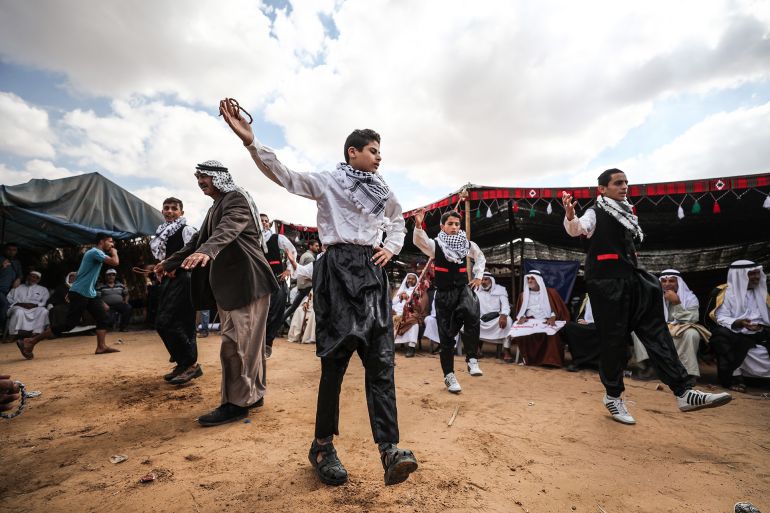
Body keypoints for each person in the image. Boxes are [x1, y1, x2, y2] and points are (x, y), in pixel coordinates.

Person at [221, 99, 417, 487]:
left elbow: (398, 221)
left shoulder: (382, 190)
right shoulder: (329, 181)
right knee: (335, 365)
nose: (379, 158)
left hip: (373, 274)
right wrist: (251, 143)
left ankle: (389, 449)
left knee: (381, 363)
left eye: (380, 151)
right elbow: (286, 176)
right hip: (338, 271)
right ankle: (323, 446)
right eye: (373, 151)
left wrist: (392, 248)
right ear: (353, 152)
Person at [563, 168, 731, 425]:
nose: (624, 187)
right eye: (618, 183)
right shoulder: (594, 213)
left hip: (633, 280)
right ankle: (613, 396)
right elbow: (578, 229)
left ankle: (683, 391)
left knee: (656, 331)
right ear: (602, 189)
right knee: (613, 341)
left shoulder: (628, 215)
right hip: (607, 283)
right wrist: (570, 215)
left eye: (626, 183)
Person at [156, 160, 278, 426]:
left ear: (219, 177)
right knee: (248, 345)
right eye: (197, 177)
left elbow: (228, 230)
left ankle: (236, 404)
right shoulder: (216, 207)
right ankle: (252, 394)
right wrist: (169, 262)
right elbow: (197, 240)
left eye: (204, 177)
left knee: (236, 346)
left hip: (246, 283)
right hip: (236, 285)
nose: (200, 181)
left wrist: (207, 251)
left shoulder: (235, 199)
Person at [412, 208, 486, 394]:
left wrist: (478, 276)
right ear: (442, 226)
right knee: (447, 338)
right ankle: (449, 376)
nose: (454, 227)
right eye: (450, 224)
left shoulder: (466, 244)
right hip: (444, 295)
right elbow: (420, 241)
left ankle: (471, 359)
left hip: (462, 289)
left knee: (472, 313)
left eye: (457, 224)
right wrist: (419, 225)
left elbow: (480, 256)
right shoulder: (436, 245)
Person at [17, 234, 121, 359]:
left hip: (89, 293)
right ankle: (30, 341)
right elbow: (115, 262)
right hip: (80, 292)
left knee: (103, 317)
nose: (112, 244)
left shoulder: (95, 254)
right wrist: (114, 252)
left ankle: (101, 347)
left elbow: (83, 274)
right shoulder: (95, 252)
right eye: (110, 241)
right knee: (69, 324)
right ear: (101, 241)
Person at [150, 196, 201, 385]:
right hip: (169, 281)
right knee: (169, 322)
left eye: (174, 208)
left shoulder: (187, 230)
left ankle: (190, 365)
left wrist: (176, 265)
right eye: (166, 208)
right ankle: (183, 363)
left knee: (170, 322)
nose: (170, 211)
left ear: (181, 212)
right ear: (162, 211)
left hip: (185, 279)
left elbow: (196, 251)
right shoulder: (160, 233)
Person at [633, 269, 709, 381]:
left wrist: (676, 303)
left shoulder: (690, 298)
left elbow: (692, 319)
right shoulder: (653, 295)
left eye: (671, 281)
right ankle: (650, 367)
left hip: (680, 329)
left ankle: (688, 373)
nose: (667, 284)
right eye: (664, 281)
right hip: (659, 328)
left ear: (678, 282)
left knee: (692, 334)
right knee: (637, 330)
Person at [707, 261, 770, 392]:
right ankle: (734, 378)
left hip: (762, 333)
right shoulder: (724, 292)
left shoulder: (764, 291)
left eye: (757, 273)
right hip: (737, 333)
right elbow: (719, 317)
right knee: (719, 337)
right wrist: (739, 323)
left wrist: (761, 326)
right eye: (751, 274)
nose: (756, 277)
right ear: (739, 276)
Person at [507, 270, 570, 367]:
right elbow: (521, 311)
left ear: (539, 280)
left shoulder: (551, 293)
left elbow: (556, 308)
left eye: (532, 278)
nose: (530, 280)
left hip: (546, 320)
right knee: (523, 332)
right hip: (530, 321)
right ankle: (529, 360)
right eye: (528, 278)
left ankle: (550, 361)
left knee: (552, 334)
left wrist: (553, 317)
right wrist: (522, 317)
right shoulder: (523, 295)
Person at [260, 213, 298, 359]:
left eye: (265, 221)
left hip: (276, 280)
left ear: (269, 224)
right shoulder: (252, 239)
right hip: (260, 281)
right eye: (260, 221)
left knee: (275, 312)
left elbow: (292, 251)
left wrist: (289, 269)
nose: (263, 223)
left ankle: (268, 343)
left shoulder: (278, 238)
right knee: (260, 314)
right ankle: (258, 343)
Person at [284, 239, 321, 323]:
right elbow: (308, 274)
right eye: (316, 246)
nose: (318, 248)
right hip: (307, 286)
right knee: (306, 308)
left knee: (296, 307)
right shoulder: (310, 257)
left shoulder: (305, 255)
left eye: (318, 246)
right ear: (310, 246)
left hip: (302, 285)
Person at [562, 294, 602, 371]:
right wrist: (580, 319)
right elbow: (579, 312)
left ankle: (598, 363)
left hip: (601, 325)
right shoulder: (585, 296)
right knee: (569, 327)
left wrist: (594, 323)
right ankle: (578, 362)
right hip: (586, 324)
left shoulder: (609, 296)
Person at [475, 273, 510, 357]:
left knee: (509, 321)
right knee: (465, 321)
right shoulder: (476, 290)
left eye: (486, 279)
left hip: (495, 319)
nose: (483, 282)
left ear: (491, 281)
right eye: (482, 280)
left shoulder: (500, 290)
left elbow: (506, 305)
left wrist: (504, 315)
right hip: (480, 318)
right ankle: (476, 349)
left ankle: (506, 350)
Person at [6, 271, 49, 338]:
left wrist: (35, 305)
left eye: (35, 277)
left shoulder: (43, 289)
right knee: (18, 312)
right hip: (18, 307)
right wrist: (19, 304)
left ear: (38, 280)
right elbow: (9, 298)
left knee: (44, 311)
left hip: (35, 308)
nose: (32, 278)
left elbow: (44, 302)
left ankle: (36, 333)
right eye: (31, 276)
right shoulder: (17, 287)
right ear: (27, 277)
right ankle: (13, 334)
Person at [392, 273, 421, 356]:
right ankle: (390, 345)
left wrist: (408, 298)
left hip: (410, 314)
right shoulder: (401, 290)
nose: (410, 280)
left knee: (415, 324)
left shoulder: (418, 292)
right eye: (408, 278)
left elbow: (419, 307)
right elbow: (393, 303)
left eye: (412, 279)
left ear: (416, 281)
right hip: (396, 314)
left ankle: (411, 348)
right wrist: (400, 296)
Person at [0, 243, 23, 330]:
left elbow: (20, 275)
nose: (11, 252)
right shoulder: (1, 259)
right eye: (9, 249)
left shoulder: (16, 263)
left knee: (9, 306)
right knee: (5, 304)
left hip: (9, 291)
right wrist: (2, 266)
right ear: (5, 250)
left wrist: (19, 279)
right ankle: (2, 327)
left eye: (14, 250)